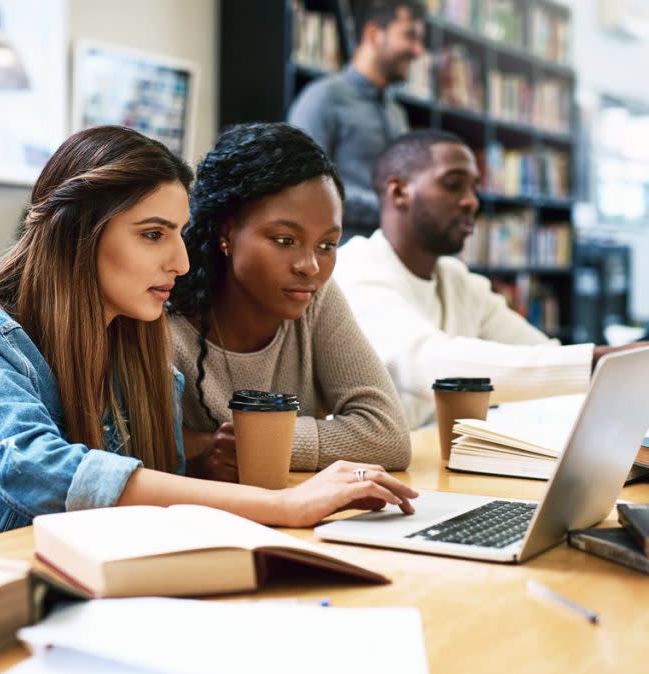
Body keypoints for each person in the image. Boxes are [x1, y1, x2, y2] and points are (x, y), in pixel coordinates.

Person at [0, 125, 418, 544]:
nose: (180, 261)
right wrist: (282, 505)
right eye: (153, 234)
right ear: (76, 234)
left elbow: (158, 498)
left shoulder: (136, 342)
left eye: (179, 233)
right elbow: (41, 472)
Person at [334, 129, 649, 428]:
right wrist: (596, 363)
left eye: (474, 187)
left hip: (427, 463)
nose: (472, 201)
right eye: (453, 184)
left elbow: (543, 354)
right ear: (399, 192)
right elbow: (429, 367)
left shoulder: (457, 281)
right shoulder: (356, 270)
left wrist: (612, 367)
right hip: (362, 471)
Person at [168, 123, 411, 484]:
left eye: (327, 245)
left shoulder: (315, 298)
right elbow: (136, 448)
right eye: (285, 240)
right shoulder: (161, 315)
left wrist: (259, 443)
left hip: (296, 518)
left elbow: (389, 436)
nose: (310, 266)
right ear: (226, 233)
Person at [287, 0, 426, 239]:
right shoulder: (322, 98)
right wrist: (392, 207)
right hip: (342, 259)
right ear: (374, 34)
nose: (418, 51)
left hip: (394, 254)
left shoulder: (397, 113)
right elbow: (304, 184)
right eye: (409, 35)